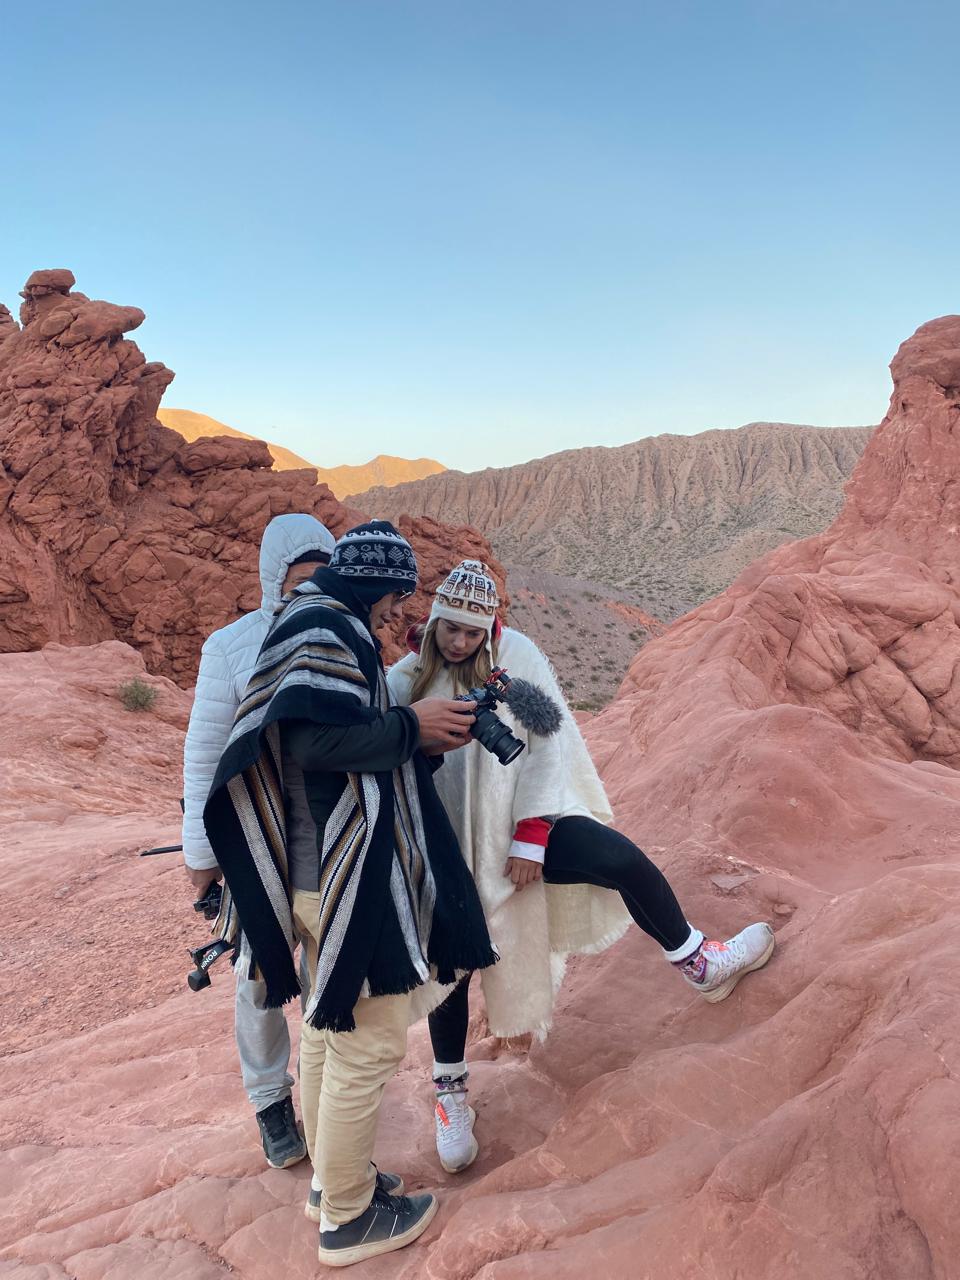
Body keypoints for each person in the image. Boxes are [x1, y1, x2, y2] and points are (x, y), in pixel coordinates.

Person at [387, 560, 776, 1175]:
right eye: (450, 629)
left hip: (522, 821)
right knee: (450, 966)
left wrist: (532, 837)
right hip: (447, 843)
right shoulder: (406, 679)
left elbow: (549, 742)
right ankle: (450, 1091)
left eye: (472, 631)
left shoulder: (516, 658)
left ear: (491, 627)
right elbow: (388, 760)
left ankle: (699, 960)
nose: (460, 642)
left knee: (620, 859)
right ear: (434, 621)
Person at [203, 521, 498, 1268]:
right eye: (400, 600)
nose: (403, 616)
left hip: (312, 871)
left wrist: (413, 737)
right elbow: (312, 746)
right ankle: (348, 1217)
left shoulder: (312, 618)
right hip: (335, 873)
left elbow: (325, 731)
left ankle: (335, 1181)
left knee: (329, 1028)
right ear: (379, 587)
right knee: (367, 1044)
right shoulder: (329, 628)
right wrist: (411, 726)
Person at [182, 512, 335, 1169]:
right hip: (252, 837)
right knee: (257, 979)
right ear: (275, 579)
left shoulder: (342, 636)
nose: (312, 592)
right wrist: (200, 859)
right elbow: (203, 754)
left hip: (328, 841)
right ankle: (272, 1104)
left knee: (331, 983)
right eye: (301, 579)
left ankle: (333, 1120)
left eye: (324, 578)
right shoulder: (230, 648)